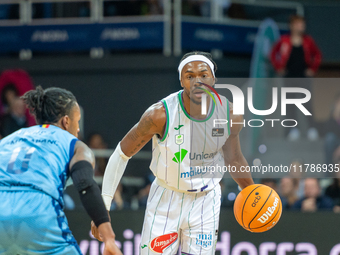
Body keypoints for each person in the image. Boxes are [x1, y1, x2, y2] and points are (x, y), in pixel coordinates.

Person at [92, 51, 254, 254]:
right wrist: (103, 205)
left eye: (203, 75)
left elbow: (234, 158)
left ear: (213, 78)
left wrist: (250, 191)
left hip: (206, 200)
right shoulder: (159, 115)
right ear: (181, 80)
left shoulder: (229, 114)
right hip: (166, 197)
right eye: (190, 76)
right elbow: (122, 154)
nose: (197, 81)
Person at [0, 86, 121, 255]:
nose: (78, 129)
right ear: (66, 121)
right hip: (36, 212)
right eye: (77, 121)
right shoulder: (75, 145)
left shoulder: (9, 139)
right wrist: (109, 238)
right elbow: (85, 183)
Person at [270, 15, 322, 141]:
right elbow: (273, 54)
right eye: (299, 24)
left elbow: (318, 55)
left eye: (303, 24)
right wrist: (278, 67)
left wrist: (312, 69)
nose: (301, 26)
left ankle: (311, 129)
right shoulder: (284, 40)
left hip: (303, 76)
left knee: (306, 103)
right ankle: (293, 130)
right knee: (290, 104)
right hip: (289, 77)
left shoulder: (308, 41)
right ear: (292, 25)